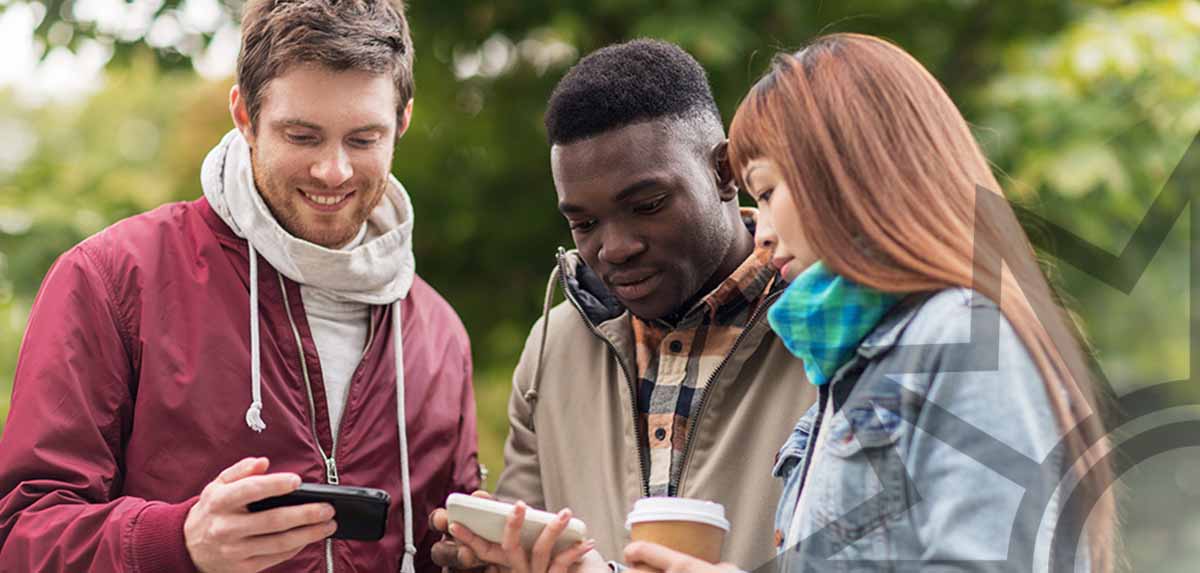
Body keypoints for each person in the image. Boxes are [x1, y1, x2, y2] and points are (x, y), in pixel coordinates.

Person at [0, 1, 480, 571]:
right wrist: (178, 542)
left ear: (401, 121)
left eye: (363, 139)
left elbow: (436, 543)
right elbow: (21, 534)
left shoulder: (437, 330)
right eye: (302, 136)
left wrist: (477, 555)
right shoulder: (112, 279)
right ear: (245, 117)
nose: (334, 171)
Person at [621, 33, 1118, 573]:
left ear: (844, 174)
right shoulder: (854, 366)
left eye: (764, 193)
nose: (759, 232)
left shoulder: (961, 338)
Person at [430, 39, 816, 572]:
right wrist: (492, 559)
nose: (614, 248)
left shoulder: (833, 328)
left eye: (647, 205)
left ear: (725, 173)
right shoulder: (552, 348)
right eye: (583, 224)